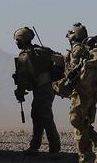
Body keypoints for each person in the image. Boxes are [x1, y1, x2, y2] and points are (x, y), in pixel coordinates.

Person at [58, 22, 97, 163]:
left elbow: (72, 72)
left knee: (76, 120)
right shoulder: (87, 49)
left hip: (81, 92)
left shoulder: (77, 50)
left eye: (70, 34)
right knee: (84, 122)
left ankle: (86, 157)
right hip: (92, 91)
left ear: (73, 36)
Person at [12, 26, 61, 157]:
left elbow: (22, 79)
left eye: (17, 40)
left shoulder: (24, 57)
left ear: (23, 40)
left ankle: (54, 149)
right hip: (47, 87)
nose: (16, 42)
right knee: (37, 115)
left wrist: (20, 92)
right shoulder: (41, 51)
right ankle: (34, 147)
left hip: (43, 89)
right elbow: (60, 59)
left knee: (45, 116)